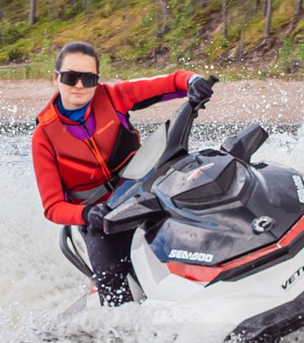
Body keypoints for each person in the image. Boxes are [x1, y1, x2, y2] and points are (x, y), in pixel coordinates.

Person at [31, 41, 217, 306]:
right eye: (71, 77)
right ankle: (122, 321)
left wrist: (193, 81)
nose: (79, 86)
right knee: (113, 287)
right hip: (102, 219)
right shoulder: (44, 137)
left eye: (88, 78)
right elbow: (53, 207)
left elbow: (172, 82)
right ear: (56, 78)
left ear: (97, 80)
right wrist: (86, 214)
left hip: (146, 194)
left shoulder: (114, 96)